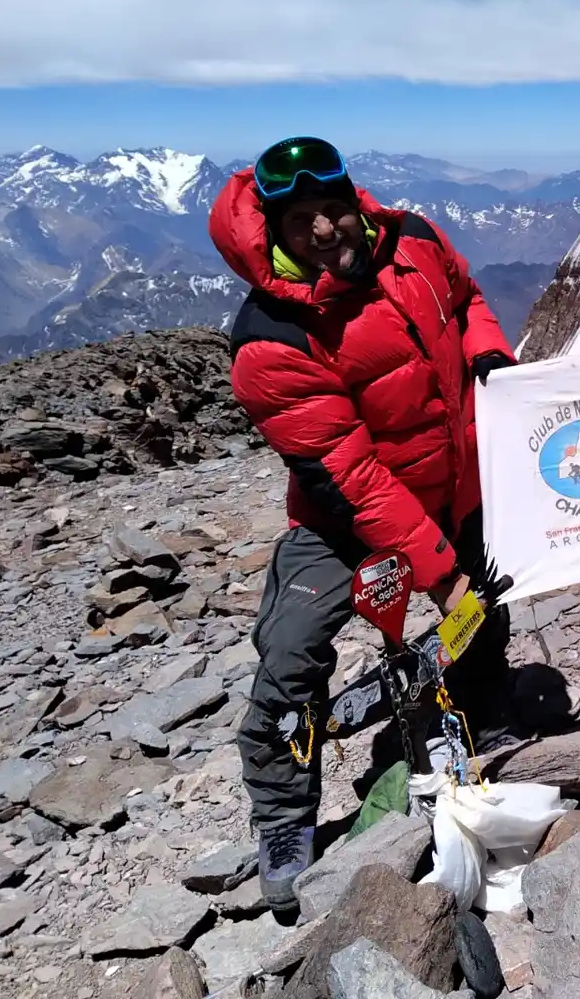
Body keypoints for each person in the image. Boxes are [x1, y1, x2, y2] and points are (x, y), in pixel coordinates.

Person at [208, 136, 519, 909]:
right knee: (290, 661)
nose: (323, 229)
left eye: (332, 207)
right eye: (299, 218)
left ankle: (477, 714)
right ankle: (285, 820)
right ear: (273, 233)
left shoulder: (412, 239)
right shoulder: (270, 340)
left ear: (355, 200)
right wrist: (440, 575)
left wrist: (487, 352)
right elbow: (353, 479)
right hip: (344, 520)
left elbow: (466, 296)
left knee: (486, 619)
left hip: (456, 485)